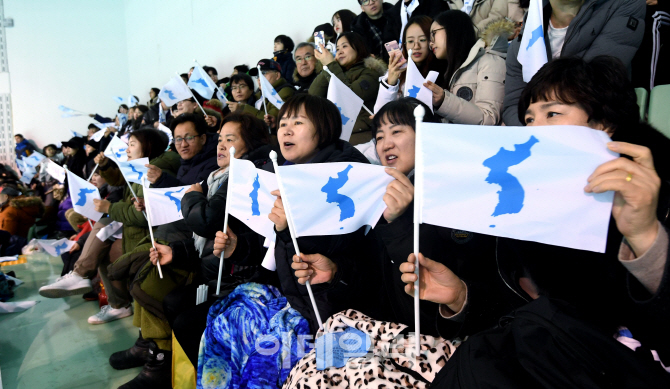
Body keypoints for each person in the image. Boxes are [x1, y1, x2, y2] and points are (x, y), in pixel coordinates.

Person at [401, 56, 670, 387]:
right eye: (528, 119)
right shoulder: (525, 207)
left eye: (552, 114)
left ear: (603, 125)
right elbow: (524, 315)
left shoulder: (658, 187)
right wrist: (461, 297)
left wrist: (646, 237)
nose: (534, 129)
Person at [143, 113, 273, 369]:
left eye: (231, 139)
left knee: (186, 322)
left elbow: (207, 220)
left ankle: (219, 377)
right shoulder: (218, 177)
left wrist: (191, 197)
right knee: (171, 302)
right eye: (221, 138)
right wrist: (176, 253)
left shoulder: (248, 175)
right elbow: (211, 243)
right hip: (219, 275)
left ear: (251, 143)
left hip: (244, 280)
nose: (221, 145)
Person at [502, 0, 647, 126]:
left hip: (599, 132)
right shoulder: (529, 29)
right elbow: (513, 104)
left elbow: (593, 83)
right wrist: (533, 139)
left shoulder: (625, 4)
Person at [423, 10, 509, 125]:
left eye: (434, 33)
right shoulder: (449, 69)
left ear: (453, 30)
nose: (431, 43)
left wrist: (445, 101)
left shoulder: (490, 62)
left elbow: (489, 119)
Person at [309, 31, 387, 144]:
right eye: (337, 48)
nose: (339, 51)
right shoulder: (335, 71)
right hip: (339, 136)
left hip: (363, 136)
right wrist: (326, 67)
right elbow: (313, 94)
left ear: (358, 48)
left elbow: (349, 96)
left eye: (344, 46)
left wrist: (330, 66)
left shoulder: (371, 72)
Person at [374, 15, 443, 112]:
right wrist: (390, 84)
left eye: (422, 40)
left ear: (432, 41)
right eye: (410, 41)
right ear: (404, 45)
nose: (416, 46)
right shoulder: (398, 71)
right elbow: (379, 112)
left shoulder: (443, 70)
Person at [146, 113, 218, 188]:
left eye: (189, 138)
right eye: (178, 139)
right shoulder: (186, 163)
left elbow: (196, 196)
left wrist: (162, 180)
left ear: (202, 139)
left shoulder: (215, 165)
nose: (183, 145)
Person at [243, 59, 295, 130]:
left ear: (277, 75)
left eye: (263, 73)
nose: (259, 78)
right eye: (258, 75)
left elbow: (270, 121)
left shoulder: (286, 91)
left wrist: (244, 108)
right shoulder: (258, 95)